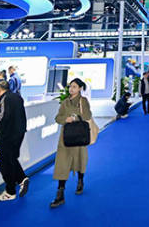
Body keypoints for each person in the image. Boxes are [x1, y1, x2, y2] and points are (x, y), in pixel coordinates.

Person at [51, 78, 92, 208]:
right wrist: (65, 119)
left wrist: (76, 117)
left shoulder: (83, 101)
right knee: (62, 164)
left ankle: (80, 180)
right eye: (70, 86)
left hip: (79, 137)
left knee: (80, 161)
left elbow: (88, 116)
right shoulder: (65, 102)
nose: (71, 89)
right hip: (66, 137)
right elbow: (58, 118)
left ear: (80, 88)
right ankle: (60, 194)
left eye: (74, 87)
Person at [0, 80, 29, 201]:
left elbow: (3, 116)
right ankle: (22, 178)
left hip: (8, 134)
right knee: (12, 158)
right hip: (19, 133)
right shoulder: (17, 97)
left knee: (6, 163)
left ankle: (10, 192)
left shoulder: (5, 99)